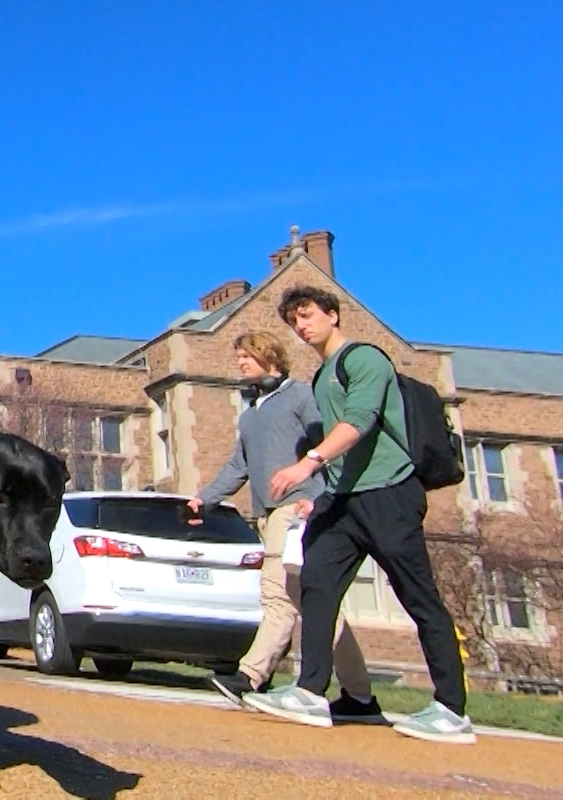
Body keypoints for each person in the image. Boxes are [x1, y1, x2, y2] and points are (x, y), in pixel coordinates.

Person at [244, 286, 475, 744]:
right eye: (295, 321)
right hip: (344, 499)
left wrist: (308, 463)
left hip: (389, 494)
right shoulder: (323, 373)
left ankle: (451, 710)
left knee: (418, 597)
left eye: (308, 315)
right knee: (316, 582)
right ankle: (310, 691)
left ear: (332, 315)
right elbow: (344, 444)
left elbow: (360, 422)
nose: (302, 326)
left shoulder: (364, 359)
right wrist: (320, 493)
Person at [191, 331, 378, 721]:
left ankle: (250, 676)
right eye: (238, 356)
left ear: (268, 356)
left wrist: (316, 493)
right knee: (321, 606)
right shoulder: (250, 413)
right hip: (267, 514)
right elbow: (238, 467)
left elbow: (326, 444)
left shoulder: (300, 396)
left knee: (277, 595)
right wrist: (203, 499)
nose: (240, 362)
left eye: (246, 355)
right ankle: (361, 697)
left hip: (298, 510)